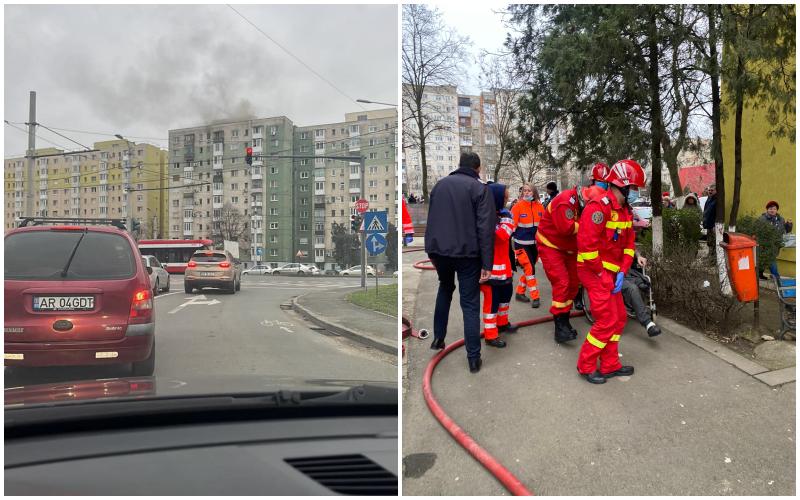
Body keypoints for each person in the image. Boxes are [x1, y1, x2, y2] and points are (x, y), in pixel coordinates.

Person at [425, 152, 496, 374]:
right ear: (477, 168)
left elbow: (432, 220)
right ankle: (473, 359)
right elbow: (486, 229)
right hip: (468, 255)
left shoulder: (440, 186)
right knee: (470, 304)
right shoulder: (479, 189)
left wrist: (432, 253)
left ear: (458, 165)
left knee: (445, 288)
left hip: (441, 252)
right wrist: (487, 264)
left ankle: (438, 338)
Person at [576, 159, 643, 384]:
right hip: (592, 271)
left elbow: (628, 245)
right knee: (606, 320)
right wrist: (602, 276)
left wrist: (623, 271)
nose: (634, 192)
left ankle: (609, 364)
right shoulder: (599, 207)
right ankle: (585, 365)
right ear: (622, 185)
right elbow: (587, 248)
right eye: (633, 188)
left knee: (619, 318)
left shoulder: (624, 210)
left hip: (612, 273)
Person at [535, 184, 594, 343]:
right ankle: (559, 327)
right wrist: (587, 225)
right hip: (550, 245)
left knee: (574, 284)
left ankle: (565, 319)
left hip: (569, 248)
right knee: (562, 282)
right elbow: (565, 228)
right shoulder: (565, 201)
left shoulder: (584, 204)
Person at [480, 183, 520, 348]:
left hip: (505, 270)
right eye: (504, 197)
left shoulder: (507, 215)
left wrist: (486, 224)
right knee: (491, 304)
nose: (507, 199)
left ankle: (502, 324)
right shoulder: (484, 215)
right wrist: (487, 221)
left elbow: (502, 235)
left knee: (505, 298)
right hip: (488, 272)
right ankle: (490, 335)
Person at [574, 162, 611, 311]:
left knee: (583, 269)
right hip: (594, 236)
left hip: (583, 235)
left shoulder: (585, 192)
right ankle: (583, 298)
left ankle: (579, 298)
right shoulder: (601, 193)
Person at [511, 184, 544, 308]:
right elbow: (511, 227)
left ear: (534, 192)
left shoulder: (540, 207)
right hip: (521, 244)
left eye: (529, 190)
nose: (526, 193)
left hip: (535, 245)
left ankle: (520, 292)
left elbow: (544, 225)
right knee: (530, 269)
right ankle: (535, 297)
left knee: (529, 269)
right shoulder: (517, 207)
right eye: (524, 190)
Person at [621, 252, 662, 337]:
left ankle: (634, 303)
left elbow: (631, 247)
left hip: (628, 272)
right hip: (612, 274)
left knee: (644, 282)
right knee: (632, 288)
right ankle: (647, 323)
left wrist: (638, 256)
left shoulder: (622, 239)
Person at [759, 200, 793, 279]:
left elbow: (786, 230)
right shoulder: (762, 219)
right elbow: (758, 230)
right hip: (765, 244)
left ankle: (759, 273)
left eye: (774, 208)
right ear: (767, 209)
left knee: (766, 259)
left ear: (776, 210)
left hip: (776, 244)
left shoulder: (781, 219)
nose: (772, 210)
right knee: (771, 259)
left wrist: (789, 224)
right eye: (770, 208)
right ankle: (776, 277)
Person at [702, 184, 717, 260]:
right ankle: (710, 255)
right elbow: (706, 211)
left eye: (712, 190)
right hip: (709, 224)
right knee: (709, 242)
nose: (710, 191)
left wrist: (715, 225)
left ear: (716, 191)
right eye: (709, 190)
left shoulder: (716, 200)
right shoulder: (709, 199)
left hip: (714, 225)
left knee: (714, 242)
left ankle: (713, 258)